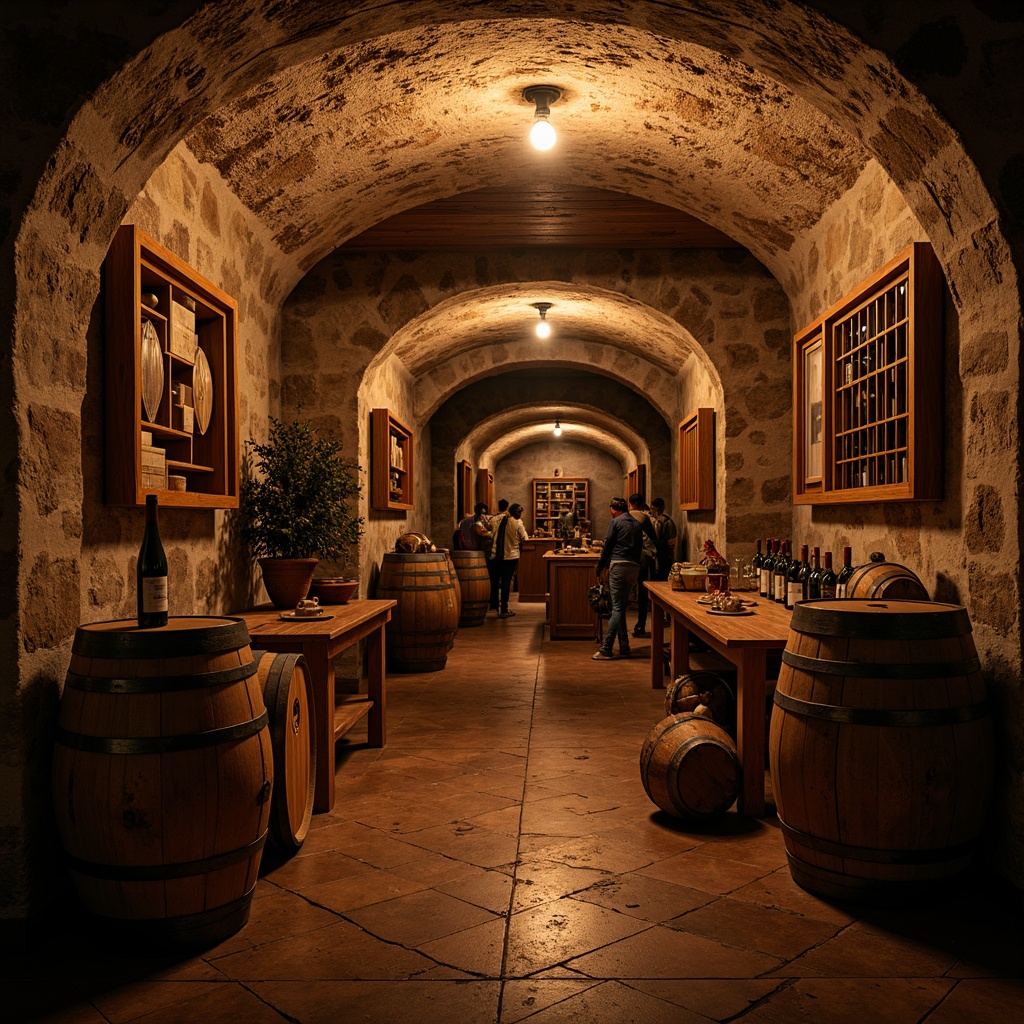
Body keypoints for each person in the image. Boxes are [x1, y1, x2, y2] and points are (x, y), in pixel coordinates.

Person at [593, 496, 643, 660]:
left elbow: (608, 546)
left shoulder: (615, 522)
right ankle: (624, 646)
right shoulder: (636, 524)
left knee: (617, 608)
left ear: (614, 509)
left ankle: (606, 648)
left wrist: (600, 567)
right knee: (620, 605)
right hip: (633, 567)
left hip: (619, 565)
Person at [628, 492, 659, 638]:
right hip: (642, 559)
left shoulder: (624, 516)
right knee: (642, 591)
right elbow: (653, 538)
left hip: (625, 557)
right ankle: (640, 624)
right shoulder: (644, 518)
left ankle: (620, 630)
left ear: (630, 503)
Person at [491, 501, 528, 618]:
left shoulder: (502, 521)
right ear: (516, 513)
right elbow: (525, 538)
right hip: (512, 556)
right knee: (506, 582)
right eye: (519, 512)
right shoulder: (518, 523)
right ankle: (504, 609)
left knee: (497, 582)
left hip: (500, 555)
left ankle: (494, 607)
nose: (520, 515)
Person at [486, 498, 509, 611]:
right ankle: (504, 606)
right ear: (507, 507)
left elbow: (488, 532)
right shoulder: (508, 519)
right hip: (504, 552)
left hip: (492, 552)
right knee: (505, 580)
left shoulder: (492, 519)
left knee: (494, 580)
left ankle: (493, 604)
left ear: (498, 506)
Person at [649, 497, 678, 581]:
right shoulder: (665, 521)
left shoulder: (663, 522)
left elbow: (667, 542)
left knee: (661, 577)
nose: (651, 511)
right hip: (663, 554)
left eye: (653, 509)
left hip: (663, 555)